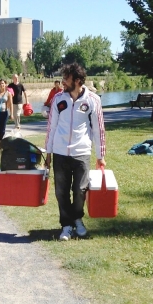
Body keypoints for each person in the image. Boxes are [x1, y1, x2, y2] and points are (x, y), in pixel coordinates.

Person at [45, 63, 106, 242]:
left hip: (82, 152)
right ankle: (66, 225)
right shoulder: (58, 99)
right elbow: (51, 127)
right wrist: (48, 153)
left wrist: (100, 156)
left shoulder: (93, 100)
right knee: (61, 191)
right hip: (60, 152)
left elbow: (98, 130)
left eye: (66, 79)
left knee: (80, 190)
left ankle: (77, 219)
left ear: (77, 81)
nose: (63, 82)